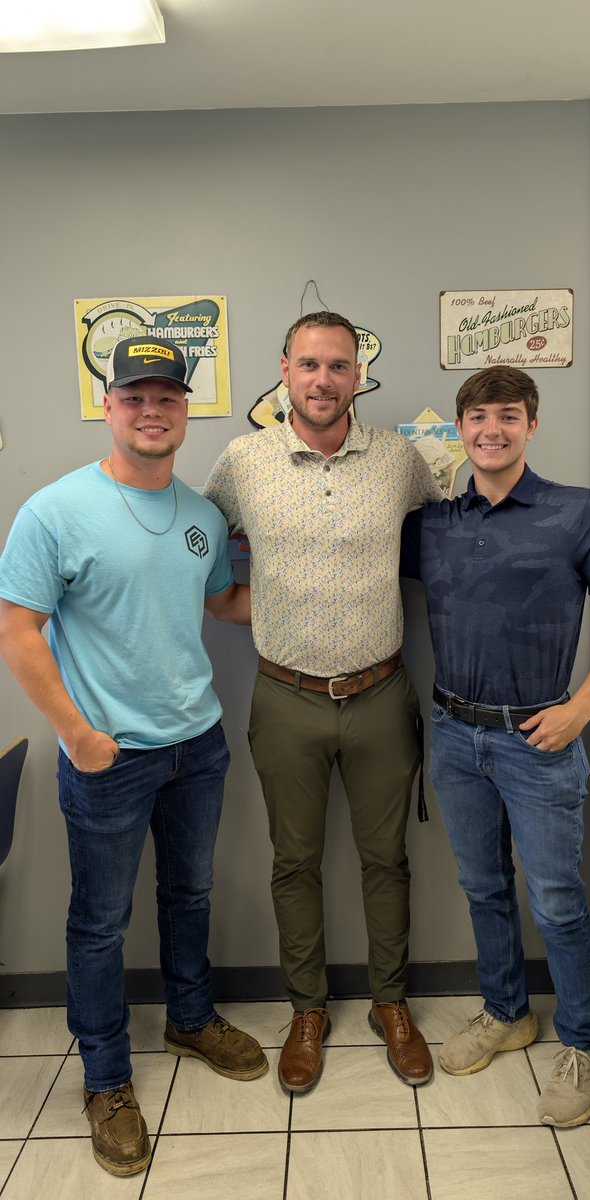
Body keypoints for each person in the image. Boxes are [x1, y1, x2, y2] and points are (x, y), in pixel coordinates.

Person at [0, 336, 267, 1178]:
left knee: (190, 894)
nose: (152, 411)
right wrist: (78, 735)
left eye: (167, 398)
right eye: (134, 397)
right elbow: (17, 631)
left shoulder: (202, 516)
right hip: (106, 759)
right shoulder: (54, 511)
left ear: (186, 410)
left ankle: (189, 1019)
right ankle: (107, 1079)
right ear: (108, 407)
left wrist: (324, 581)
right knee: (100, 923)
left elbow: (224, 603)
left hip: (198, 745)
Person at [401, 365, 590, 1129]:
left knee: (557, 900)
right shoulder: (432, 524)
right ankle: (507, 1012)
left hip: (539, 738)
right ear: (459, 429)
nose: (492, 430)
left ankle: (579, 1042)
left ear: (531, 426)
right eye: (478, 417)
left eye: (508, 415)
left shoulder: (578, 512)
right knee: (482, 887)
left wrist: (581, 708)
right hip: (453, 734)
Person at [205, 311, 444, 1094]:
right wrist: (245, 603)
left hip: (380, 694)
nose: (322, 380)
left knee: (386, 860)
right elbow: (195, 539)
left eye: (338, 366)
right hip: (286, 696)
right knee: (293, 862)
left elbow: (446, 530)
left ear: (357, 377)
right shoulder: (244, 461)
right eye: (308, 364)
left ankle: (389, 1004)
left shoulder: (399, 461)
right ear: (284, 371)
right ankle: (306, 1011)